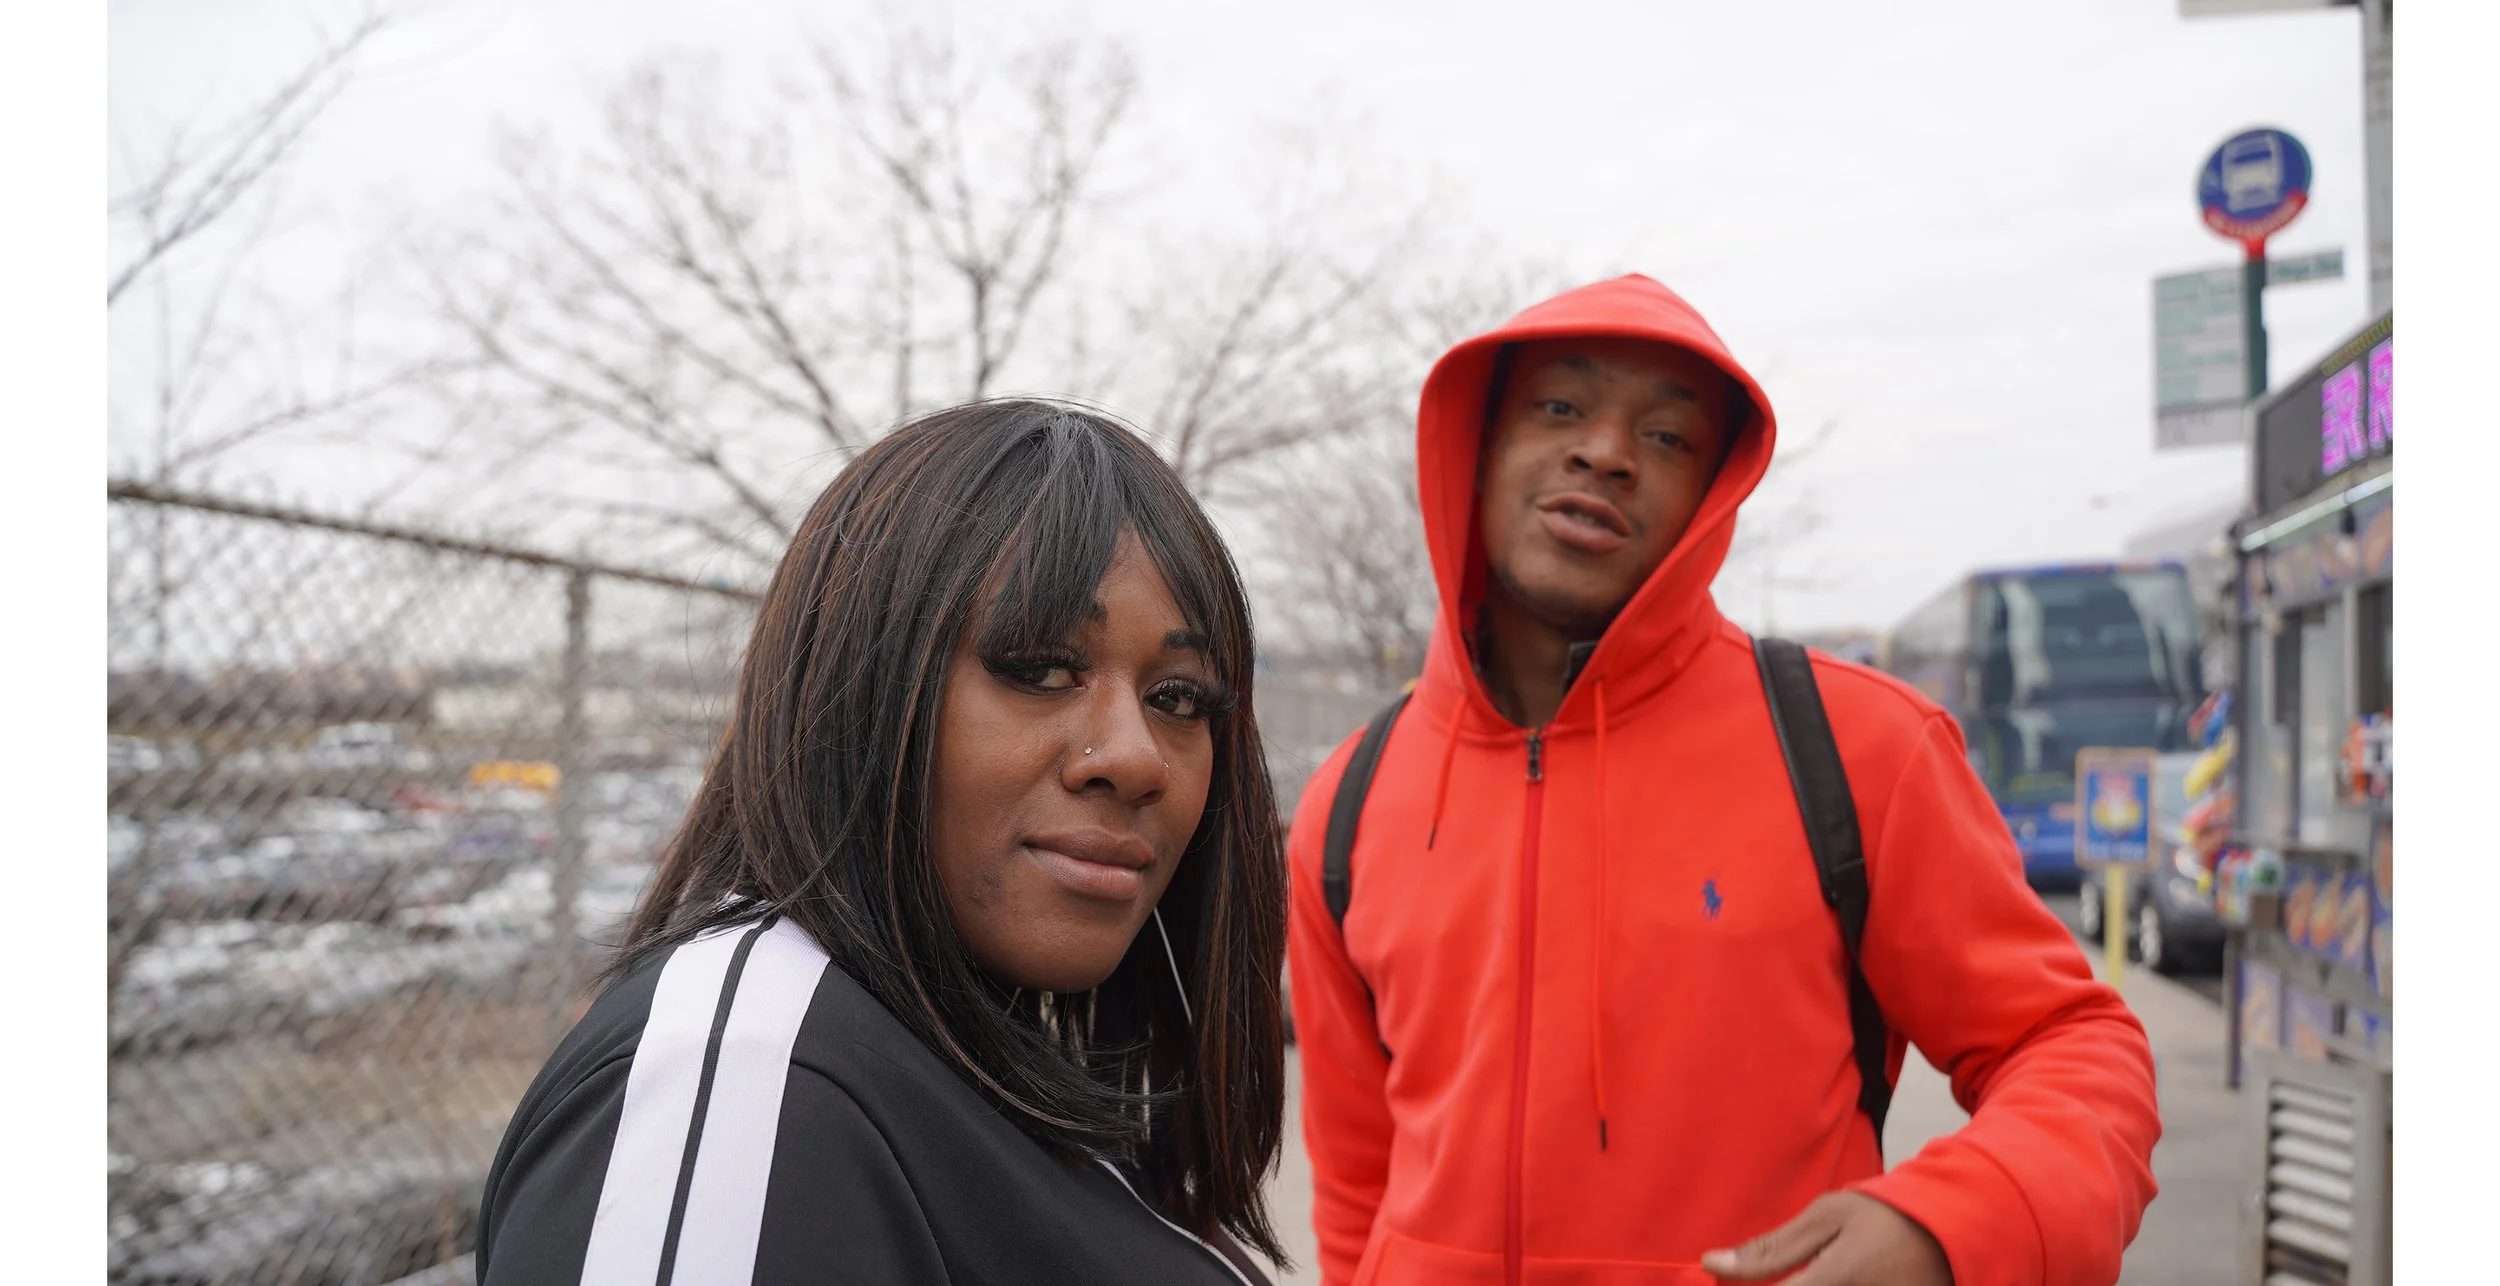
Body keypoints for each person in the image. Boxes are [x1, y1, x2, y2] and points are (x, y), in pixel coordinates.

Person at [1286, 275, 2161, 1286]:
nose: (1606, 452)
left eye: (1667, 438)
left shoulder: (1859, 745)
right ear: (1472, 449)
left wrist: (1951, 1225)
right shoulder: (1349, 800)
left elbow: (2071, 1046)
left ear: (1711, 499)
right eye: (1559, 407)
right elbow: (1356, 1177)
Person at [478, 400, 1287, 1285]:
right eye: (1040, 668)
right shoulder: (752, 1081)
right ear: (857, 688)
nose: (1136, 758)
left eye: (1179, 697)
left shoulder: (961, 1059)